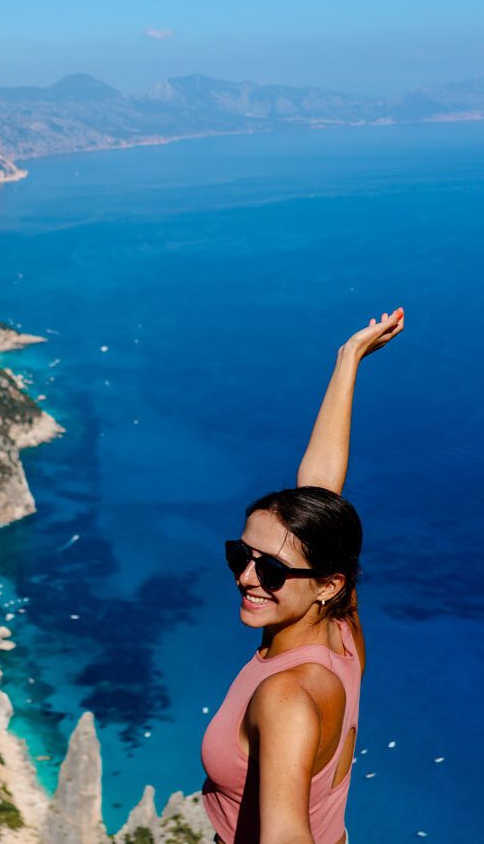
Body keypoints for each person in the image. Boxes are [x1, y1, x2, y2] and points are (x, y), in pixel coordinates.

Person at [200, 308, 405, 844]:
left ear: (327, 584)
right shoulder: (342, 631)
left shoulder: (286, 697)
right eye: (240, 555)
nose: (247, 578)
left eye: (270, 570)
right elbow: (320, 493)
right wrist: (349, 359)